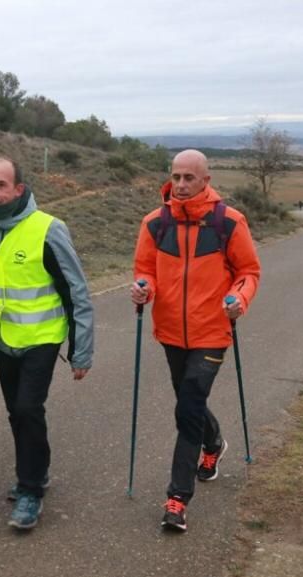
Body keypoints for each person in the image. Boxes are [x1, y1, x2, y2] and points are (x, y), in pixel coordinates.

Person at [0, 157, 94, 530]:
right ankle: (36, 472)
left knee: (28, 408)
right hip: (2, 338)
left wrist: (81, 350)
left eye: (0, 185)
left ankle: (30, 490)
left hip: (43, 337)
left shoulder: (48, 229)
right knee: (17, 412)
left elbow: (75, 291)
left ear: (18, 190)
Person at [130, 150, 261, 531]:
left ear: (206, 180)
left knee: (188, 407)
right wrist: (143, 288)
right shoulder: (155, 223)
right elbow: (145, 270)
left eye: (189, 177)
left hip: (212, 331)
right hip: (170, 331)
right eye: (176, 177)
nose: (181, 185)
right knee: (189, 400)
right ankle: (214, 443)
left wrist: (239, 299)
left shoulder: (228, 222)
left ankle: (177, 499)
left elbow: (249, 271)